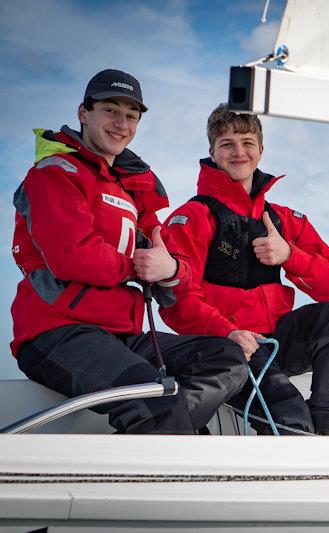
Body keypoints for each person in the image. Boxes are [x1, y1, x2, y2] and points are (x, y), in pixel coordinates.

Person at [10, 69, 248, 434]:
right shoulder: (54, 173)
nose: (121, 123)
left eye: (131, 116)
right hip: (57, 332)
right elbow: (71, 254)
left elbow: (173, 261)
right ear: (83, 112)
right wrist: (140, 267)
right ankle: (166, 433)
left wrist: (168, 270)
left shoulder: (130, 190)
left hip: (121, 334)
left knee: (225, 359)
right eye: (110, 110)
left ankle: (165, 431)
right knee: (155, 398)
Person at [159, 104, 329, 436]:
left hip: (277, 340)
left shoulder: (283, 219)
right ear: (212, 151)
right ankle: (297, 439)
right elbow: (176, 302)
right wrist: (228, 332)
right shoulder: (193, 217)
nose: (239, 152)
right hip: (226, 348)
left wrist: (289, 255)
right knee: (292, 423)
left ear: (261, 150)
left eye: (247, 142)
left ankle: (328, 426)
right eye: (227, 143)